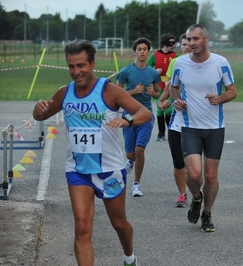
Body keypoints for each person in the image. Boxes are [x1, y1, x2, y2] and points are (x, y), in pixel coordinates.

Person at [32, 39, 152, 266]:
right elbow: (41, 115)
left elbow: (144, 113)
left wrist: (126, 121)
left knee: (119, 223)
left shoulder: (109, 91)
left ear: (92, 64)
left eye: (81, 66)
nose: (76, 72)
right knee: (82, 227)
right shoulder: (64, 93)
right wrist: (38, 112)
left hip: (110, 170)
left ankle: (130, 257)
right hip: (78, 171)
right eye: (71, 66)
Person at [169, 24, 237, 232]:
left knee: (210, 176)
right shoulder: (180, 64)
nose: (191, 43)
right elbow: (173, 88)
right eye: (189, 40)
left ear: (206, 38)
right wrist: (176, 100)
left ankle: (207, 213)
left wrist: (220, 98)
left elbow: (232, 91)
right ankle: (196, 198)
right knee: (194, 174)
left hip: (215, 127)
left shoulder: (220, 63)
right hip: (189, 126)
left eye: (196, 39)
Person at [117, 37, 161, 197]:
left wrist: (153, 93)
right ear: (135, 51)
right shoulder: (125, 72)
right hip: (129, 116)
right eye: (139, 49)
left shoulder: (153, 73)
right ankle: (130, 161)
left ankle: (136, 184)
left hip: (146, 115)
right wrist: (133, 92)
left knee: (139, 149)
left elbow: (158, 94)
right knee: (130, 154)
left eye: (145, 49)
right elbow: (118, 93)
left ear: (148, 52)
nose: (142, 52)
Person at [158, 33, 191, 207]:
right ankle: (182, 194)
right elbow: (170, 86)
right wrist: (164, 101)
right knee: (178, 160)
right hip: (177, 119)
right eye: (184, 44)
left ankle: (196, 192)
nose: (187, 47)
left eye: (189, 43)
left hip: (197, 121)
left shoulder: (203, 63)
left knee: (193, 165)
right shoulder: (176, 62)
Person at [148, 34, 177, 141]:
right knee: (160, 110)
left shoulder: (175, 55)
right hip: (158, 85)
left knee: (169, 109)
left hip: (170, 85)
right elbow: (148, 68)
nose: (174, 45)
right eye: (171, 43)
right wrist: (155, 72)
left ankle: (172, 131)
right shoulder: (155, 54)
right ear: (165, 43)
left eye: (174, 42)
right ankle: (161, 133)